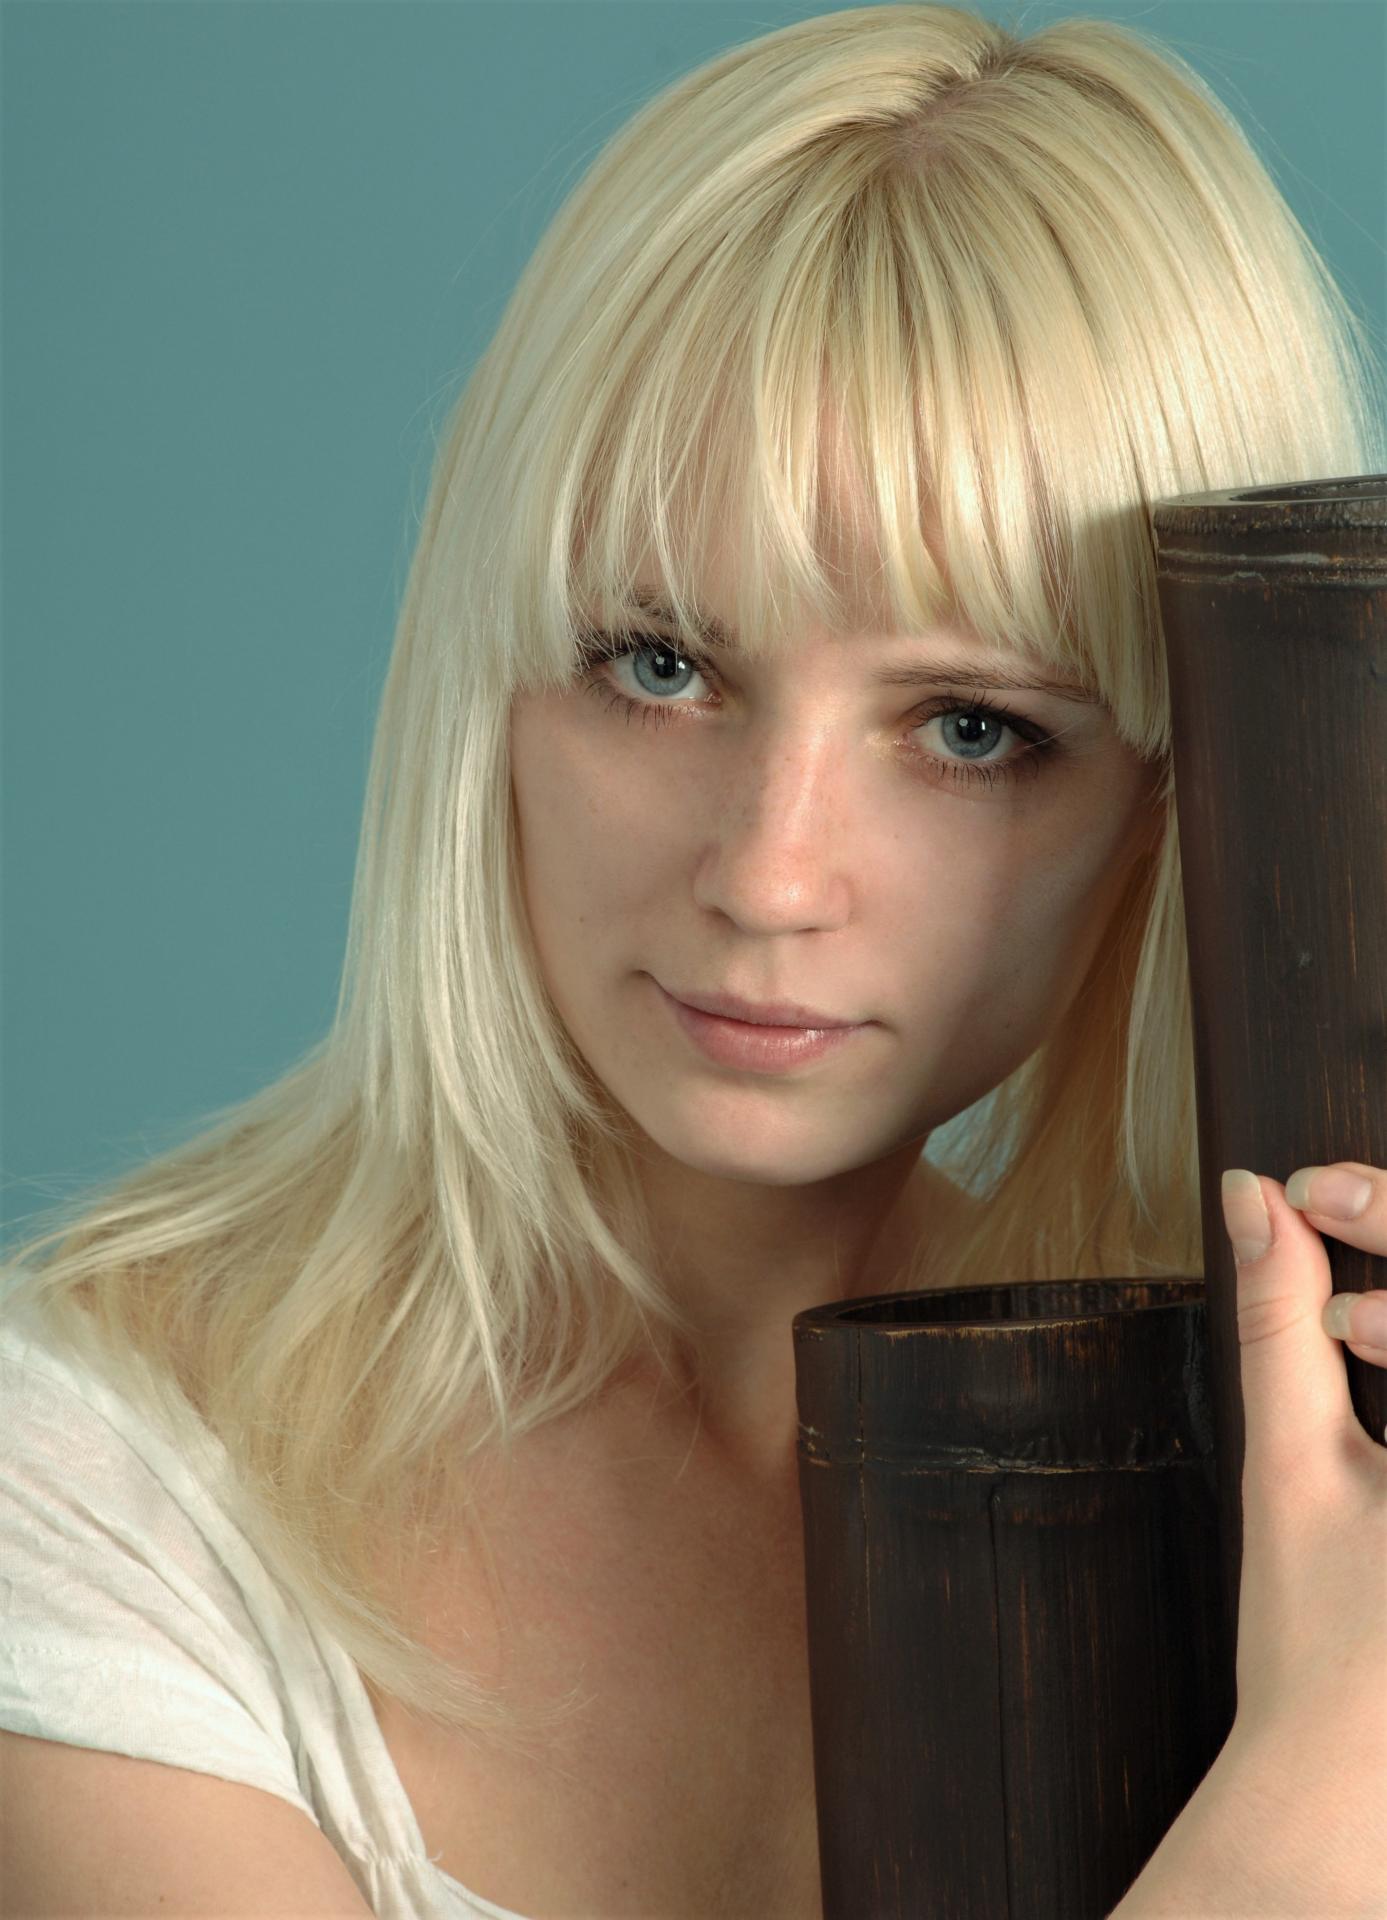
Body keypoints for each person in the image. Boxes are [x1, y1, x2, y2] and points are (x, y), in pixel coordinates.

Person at [2, 6, 1385, 1917]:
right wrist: (1328, 1776)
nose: (768, 874)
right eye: (659, 665)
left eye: (970, 727)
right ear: (491, 672)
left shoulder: (1298, 1484)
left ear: (1179, 793)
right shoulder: (85, 1489)